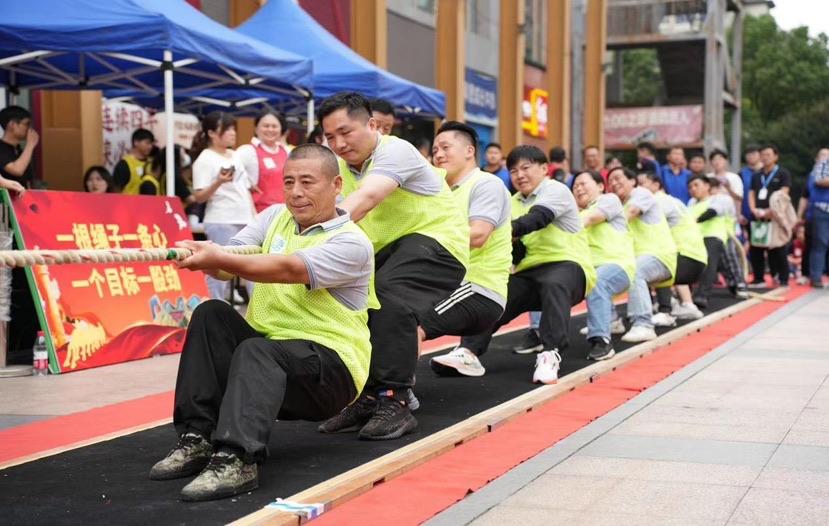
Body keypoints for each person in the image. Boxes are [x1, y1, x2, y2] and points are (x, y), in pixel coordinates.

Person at [149, 144, 374, 502]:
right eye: (288, 182)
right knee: (211, 314)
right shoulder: (273, 218)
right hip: (272, 356)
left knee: (258, 350)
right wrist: (203, 256)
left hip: (330, 372)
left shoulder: (351, 243)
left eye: (307, 182)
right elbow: (231, 259)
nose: (296, 192)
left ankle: (239, 459)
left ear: (336, 185)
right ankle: (198, 438)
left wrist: (218, 256)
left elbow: (289, 269)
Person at [316, 92, 468, 440]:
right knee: (352, 303)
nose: (338, 144)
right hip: (387, 252)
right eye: (330, 137)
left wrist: (311, 240)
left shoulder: (395, 151)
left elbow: (364, 200)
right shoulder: (337, 167)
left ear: (372, 124)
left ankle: (395, 400)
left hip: (439, 243)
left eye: (346, 132)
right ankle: (367, 396)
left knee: (388, 294)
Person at [461, 145, 595, 384]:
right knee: (498, 293)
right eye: (513, 171)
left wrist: (489, 229)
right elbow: (515, 249)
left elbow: (537, 219)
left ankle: (550, 354)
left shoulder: (556, 190)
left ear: (544, 168)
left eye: (525, 168)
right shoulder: (511, 201)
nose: (519, 175)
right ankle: (468, 352)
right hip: (530, 271)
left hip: (570, 266)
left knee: (555, 282)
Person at [419, 122, 512, 377]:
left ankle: (394, 396)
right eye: (435, 150)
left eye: (445, 147)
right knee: (389, 312)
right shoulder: (441, 193)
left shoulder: (486, 184)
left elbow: (479, 234)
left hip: (478, 286)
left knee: (408, 324)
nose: (438, 154)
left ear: (469, 151)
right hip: (446, 283)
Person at [190, 112, 256, 301]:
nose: (232, 133)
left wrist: (254, 216)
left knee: (253, 267)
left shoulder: (234, 155)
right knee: (219, 272)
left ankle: (259, 314)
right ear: (211, 133)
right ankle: (214, 311)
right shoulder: (205, 158)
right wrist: (218, 182)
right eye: (226, 130)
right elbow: (199, 196)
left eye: (233, 129)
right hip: (221, 219)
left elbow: (244, 189)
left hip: (245, 219)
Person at [608, 167, 677, 343]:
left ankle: (644, 324)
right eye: (611, 181)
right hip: (637, 258)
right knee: (601, 272)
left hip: (660, 256)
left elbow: (630, 213)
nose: (614, 183)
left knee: (635, 271)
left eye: (618, 178)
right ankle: (611, 321)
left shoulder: (641, 194)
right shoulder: (618, 206)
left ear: (632, 181)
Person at [572, 170, 635, 360]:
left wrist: (563, 218)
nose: (578, 188)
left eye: (583, 183)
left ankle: (602, 341)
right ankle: (539, 334)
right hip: (588, 270)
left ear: (600, 186)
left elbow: (590, 219)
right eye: (575, 187)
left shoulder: (609, 200)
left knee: (598, 281)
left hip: (618, 266)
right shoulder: (577, 213)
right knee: (546, 280)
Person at [636, 172, 708, 321]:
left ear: (656, 185)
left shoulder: (658, 201)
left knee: (650, 264)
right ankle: (683, 305)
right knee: (656, 261)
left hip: (686, 256)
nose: (638, 189)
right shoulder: (672, 200)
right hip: (694, 255)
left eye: (642, 184)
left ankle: (664, 311)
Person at [687, 175, 747, 308]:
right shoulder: (691, 202)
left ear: (707, 186)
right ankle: (686, 295)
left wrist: (695, 220)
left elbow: (713, 212)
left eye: (696, 185)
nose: (693, 189)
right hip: (695, 238)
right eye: (690, 187)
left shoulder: (720, 199)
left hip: (716, 236)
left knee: (725, 260)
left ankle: (703, 295)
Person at [748, 144, 791, 287]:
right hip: (758, 217)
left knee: (777, 248)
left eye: (768, 154)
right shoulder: (756, 175)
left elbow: (783, 194)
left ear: (776, 156)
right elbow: (752, 193)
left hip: (775, 217)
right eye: (763, 155)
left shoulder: (782, 173)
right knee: (756, 248)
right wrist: (754, 209)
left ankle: (782, 278)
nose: (765, 157)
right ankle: (759, 278)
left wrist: (769, 211)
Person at [236, 110, 290, 213]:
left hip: (285, 211)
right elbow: (233, 173)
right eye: (266, 126)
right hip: (259, 212)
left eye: (274, 126)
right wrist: (247, 184)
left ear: (281, 129)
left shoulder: (288, 151)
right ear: (256, 129)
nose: (270, 129)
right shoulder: (247, 151)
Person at [805, 148, 829, 288]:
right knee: (820, 244)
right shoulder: (822, 165)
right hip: (822, 209)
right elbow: (819, 181)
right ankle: (816, 277)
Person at [0, 105, 38, 194]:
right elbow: (17, 170)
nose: (29, 129)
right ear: (12, 124)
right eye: (26, 124)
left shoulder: (19, 150)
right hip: (7, 202)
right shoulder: (1, 148)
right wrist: (30, 145)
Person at [113, 128, 155, 194]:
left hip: (151, 203)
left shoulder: (153, 163)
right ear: (136, 142)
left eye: (151, 143)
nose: (150, 146)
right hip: (130, 203)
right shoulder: (124, 164)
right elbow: (116, 190)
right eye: (147, 143)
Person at [739, 145, 763, 229]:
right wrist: (739, 213)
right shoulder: (741, 173)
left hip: (765, 214)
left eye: (753, 154)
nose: (750, 156)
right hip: (746, 215)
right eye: (748, 154)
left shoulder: (767, 171)